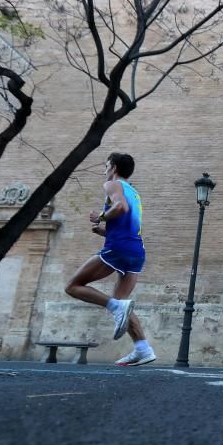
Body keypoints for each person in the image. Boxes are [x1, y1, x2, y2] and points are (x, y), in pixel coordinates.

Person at [65, 152, 156, 366]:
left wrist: (101, 216)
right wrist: (104, 231)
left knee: (73, 286)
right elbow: (128, 223)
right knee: (123, 303)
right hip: (136, 251)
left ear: (114, 168)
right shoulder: (135, 192)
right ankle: (143, 349)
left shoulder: (112, 185)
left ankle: (114, 307)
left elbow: (120, 207)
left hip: (118, 248)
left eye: (106, 165)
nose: (104, 170)